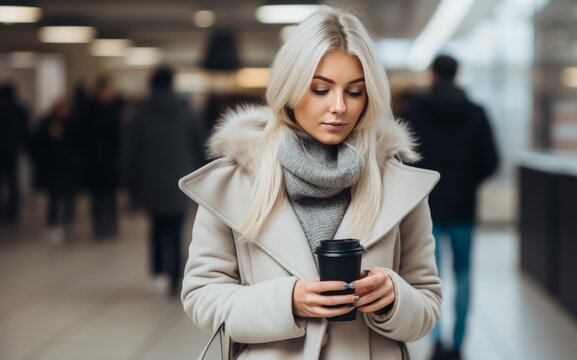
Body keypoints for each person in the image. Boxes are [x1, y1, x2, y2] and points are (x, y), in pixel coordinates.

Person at [179, 6, 441, 360]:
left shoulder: (397, 183)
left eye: (354, 92)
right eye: (320, 89)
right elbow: (201, 296)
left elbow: (427, 304)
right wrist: (287, 301)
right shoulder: (237, 179)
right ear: (290, 87)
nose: (339, 107)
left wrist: (394, 298)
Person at [405, 54, 498, 360]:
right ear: (458, 74)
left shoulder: (416, 111)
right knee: (463, 272)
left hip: (427, 205)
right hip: (463, 206)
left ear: (433, 74)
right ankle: (458, 344)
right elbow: (491, 161)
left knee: (430, 273)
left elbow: (404, 157)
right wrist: (468, 182)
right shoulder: (477, 112)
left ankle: (436, 338)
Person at [123, 66, 205, 296]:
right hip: (180, 180)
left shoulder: (140, 115)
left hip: (150, 181)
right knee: (177, 229)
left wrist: (131, 184)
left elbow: (131, 153)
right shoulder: (186, 112)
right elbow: (201, 146)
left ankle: (159, 270)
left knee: (156, 227)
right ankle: (175, 275)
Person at [79, 76, 123, 239]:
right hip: (95, 162)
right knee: (97, 197)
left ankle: (111, 224)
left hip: (110, 162)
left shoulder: (113, 110)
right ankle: (99, 225)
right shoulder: (89, 111)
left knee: (110, 197)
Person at [31, 100, 81, 244]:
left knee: (70, 197)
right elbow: (37, 145)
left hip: (69, 167)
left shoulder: (72, 124)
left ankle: (69, 221)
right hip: (53, 168)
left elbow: (79, 143)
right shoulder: (46, 124)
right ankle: (52, 225)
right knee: (54, 198)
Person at [0, 82, 29, 226]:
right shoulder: (18, 109)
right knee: (13, 183)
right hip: (12, 151)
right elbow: (24, 131)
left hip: (7, 150)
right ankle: (12, 213)